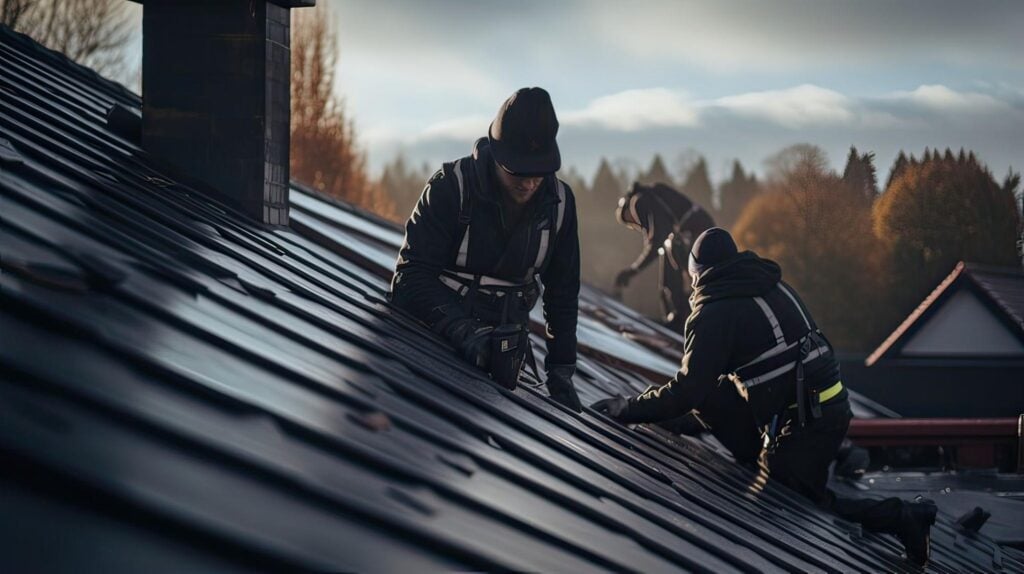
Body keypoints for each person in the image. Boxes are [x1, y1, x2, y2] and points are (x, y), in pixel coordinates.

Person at [591, 228, 937, 566]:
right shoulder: (768, 285)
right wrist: (670, 417)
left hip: (807, 422)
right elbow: (706, 392)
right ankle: (773, 455)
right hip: (821, 409)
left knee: (794, 499)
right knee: (717, 395)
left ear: (697, 273)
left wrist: (629, 408)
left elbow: (689, 389)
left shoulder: (714, 312)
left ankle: (904, 517)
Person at [390, 87, 582, 412]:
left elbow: (563, 294)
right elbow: (408, 279)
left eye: (539, 171)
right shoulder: (450, 187)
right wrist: (462, 330)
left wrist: (561, 370)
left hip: (503, 359)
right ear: (496, 154)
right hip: (426, 342)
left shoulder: (561, 205)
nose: (529, 182)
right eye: (517, 170)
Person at [614, 183, 715, 330]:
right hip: (703, 229)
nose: (635, 224)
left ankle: (679, 317)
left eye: (630, 221)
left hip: (695, 231)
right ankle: (682, 314)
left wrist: (633, 270)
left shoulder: (640, 201)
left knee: (670, 251)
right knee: (676, 258)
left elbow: (657, 241)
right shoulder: (653, 195)